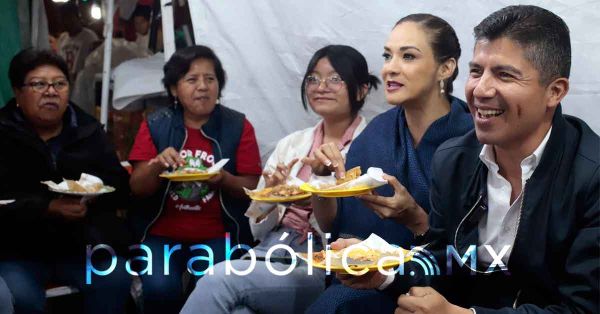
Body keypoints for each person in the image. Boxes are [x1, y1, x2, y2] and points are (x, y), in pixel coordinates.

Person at [336, 5, 599, 313]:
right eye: (476, 71)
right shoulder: (453, 161)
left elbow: (583, 307)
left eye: (504, 74)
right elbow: (447, 262)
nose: (480, 89)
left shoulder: (591, 177)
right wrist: (386, 271)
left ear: (555, 92)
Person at [180, 44, 380, 314]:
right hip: (269, 249)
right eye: (313, 78)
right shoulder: (292, 144)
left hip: (320, 262)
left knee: (219, 278)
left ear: (362, 88)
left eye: (334, 79)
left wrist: (322, 182)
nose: (321, 86)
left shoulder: (370, 147)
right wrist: (271, 197)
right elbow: (257, 230)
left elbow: (345, 230)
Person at [305, 14, 474, 314]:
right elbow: (336, 225)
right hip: (365, 278)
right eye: (387, 55)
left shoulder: (472, 139)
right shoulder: (376, 134)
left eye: (408, 56)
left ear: (445, 68)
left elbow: (473, 253)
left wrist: (416, 219)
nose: (389, 68)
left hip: (443, 290)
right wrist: (321, 185)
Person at [128, 45, 262, 314]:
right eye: (192, 79)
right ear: (174, 89)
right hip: (160, 234)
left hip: (220, 234)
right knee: (160, 289)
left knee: (212, 288)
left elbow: (253, 187)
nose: (203, 86)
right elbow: (137, 188)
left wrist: (223, 179)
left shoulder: (238, 125)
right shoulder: (156, 124)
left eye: (210, 79)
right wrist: (157, 164)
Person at [0, 48, 132, 313]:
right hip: (17, 250)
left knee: (114, 278)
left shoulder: (88, 130)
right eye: (39, 84)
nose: (51, 91)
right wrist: (45, 207)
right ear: (17, 92)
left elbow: (119, 187)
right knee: (22, 300)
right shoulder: (3, 134)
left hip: (80, 246)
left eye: (59, 83)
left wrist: (91, 196)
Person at [57, 3, 100, 82]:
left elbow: (94, 63)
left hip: (82, 83)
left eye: (68, 18)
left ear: (77, 17)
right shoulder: (62, 38)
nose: (65, 22)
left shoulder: (89, 37)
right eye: (62, 18)